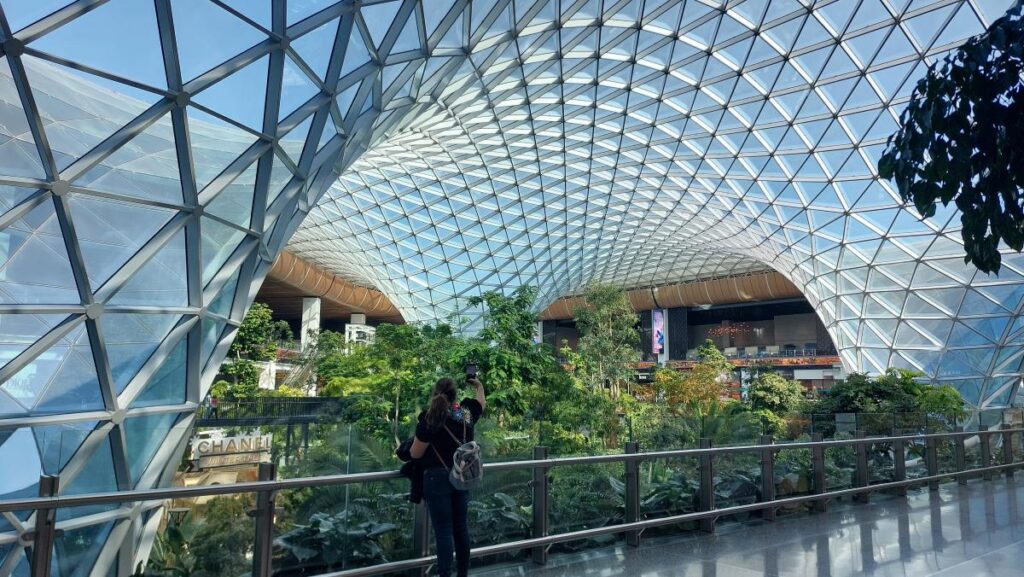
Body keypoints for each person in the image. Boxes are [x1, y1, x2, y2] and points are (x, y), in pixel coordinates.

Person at [410, 376, 486, 577]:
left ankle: (445, 574)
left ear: (435, 393)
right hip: (461, 477)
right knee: (460, 529)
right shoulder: (465, 415)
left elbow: (415, 453)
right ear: (455, 395)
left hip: (436, 480)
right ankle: (463, 574)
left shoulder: (430, 417)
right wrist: (479, 386)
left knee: (444, 532)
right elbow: (480, 404)